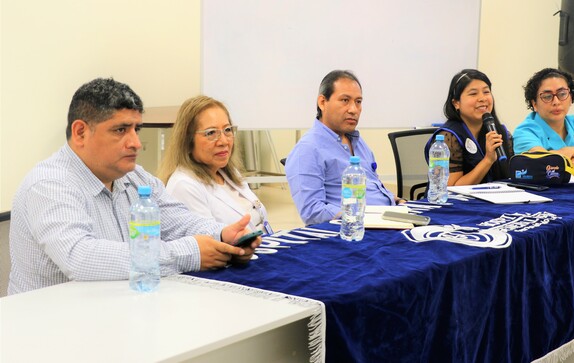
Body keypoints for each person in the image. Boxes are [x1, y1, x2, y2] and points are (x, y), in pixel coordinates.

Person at [8, 78, 260, 295]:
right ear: (81, 132)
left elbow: (178, 221)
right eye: (120, 130)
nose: (136, 143)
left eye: (136, 129)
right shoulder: (49, 184)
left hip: (117, 312)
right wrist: (188, 253)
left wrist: (223, 235)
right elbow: (81, 257)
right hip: (52, 332)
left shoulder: (133, 176)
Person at [285, 70, 403, 225]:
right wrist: (364, 218)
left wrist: (399, 202)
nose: (353, 109)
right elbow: (312, 211)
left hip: (390, 219)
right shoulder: (307, 150)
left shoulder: (357, 141)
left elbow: (371, 189)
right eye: (345, 100)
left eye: (358, 102)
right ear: (322, 102)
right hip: (357, 230)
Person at [158, 95, 271, 233]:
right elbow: (210, 244)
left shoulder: (228, 172)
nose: (223, 141)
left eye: (227, 130)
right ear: (187, 141)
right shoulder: (184, 186)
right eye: (211, 133)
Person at [424, 69, 514, 186]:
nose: (482, 98)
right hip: (454, 202)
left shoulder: (500, 132)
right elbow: (450, 188)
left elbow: (513, 176)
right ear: (456, 103)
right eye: (473, 94)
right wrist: (488, 160)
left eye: (486, 92)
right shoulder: (448, 137)